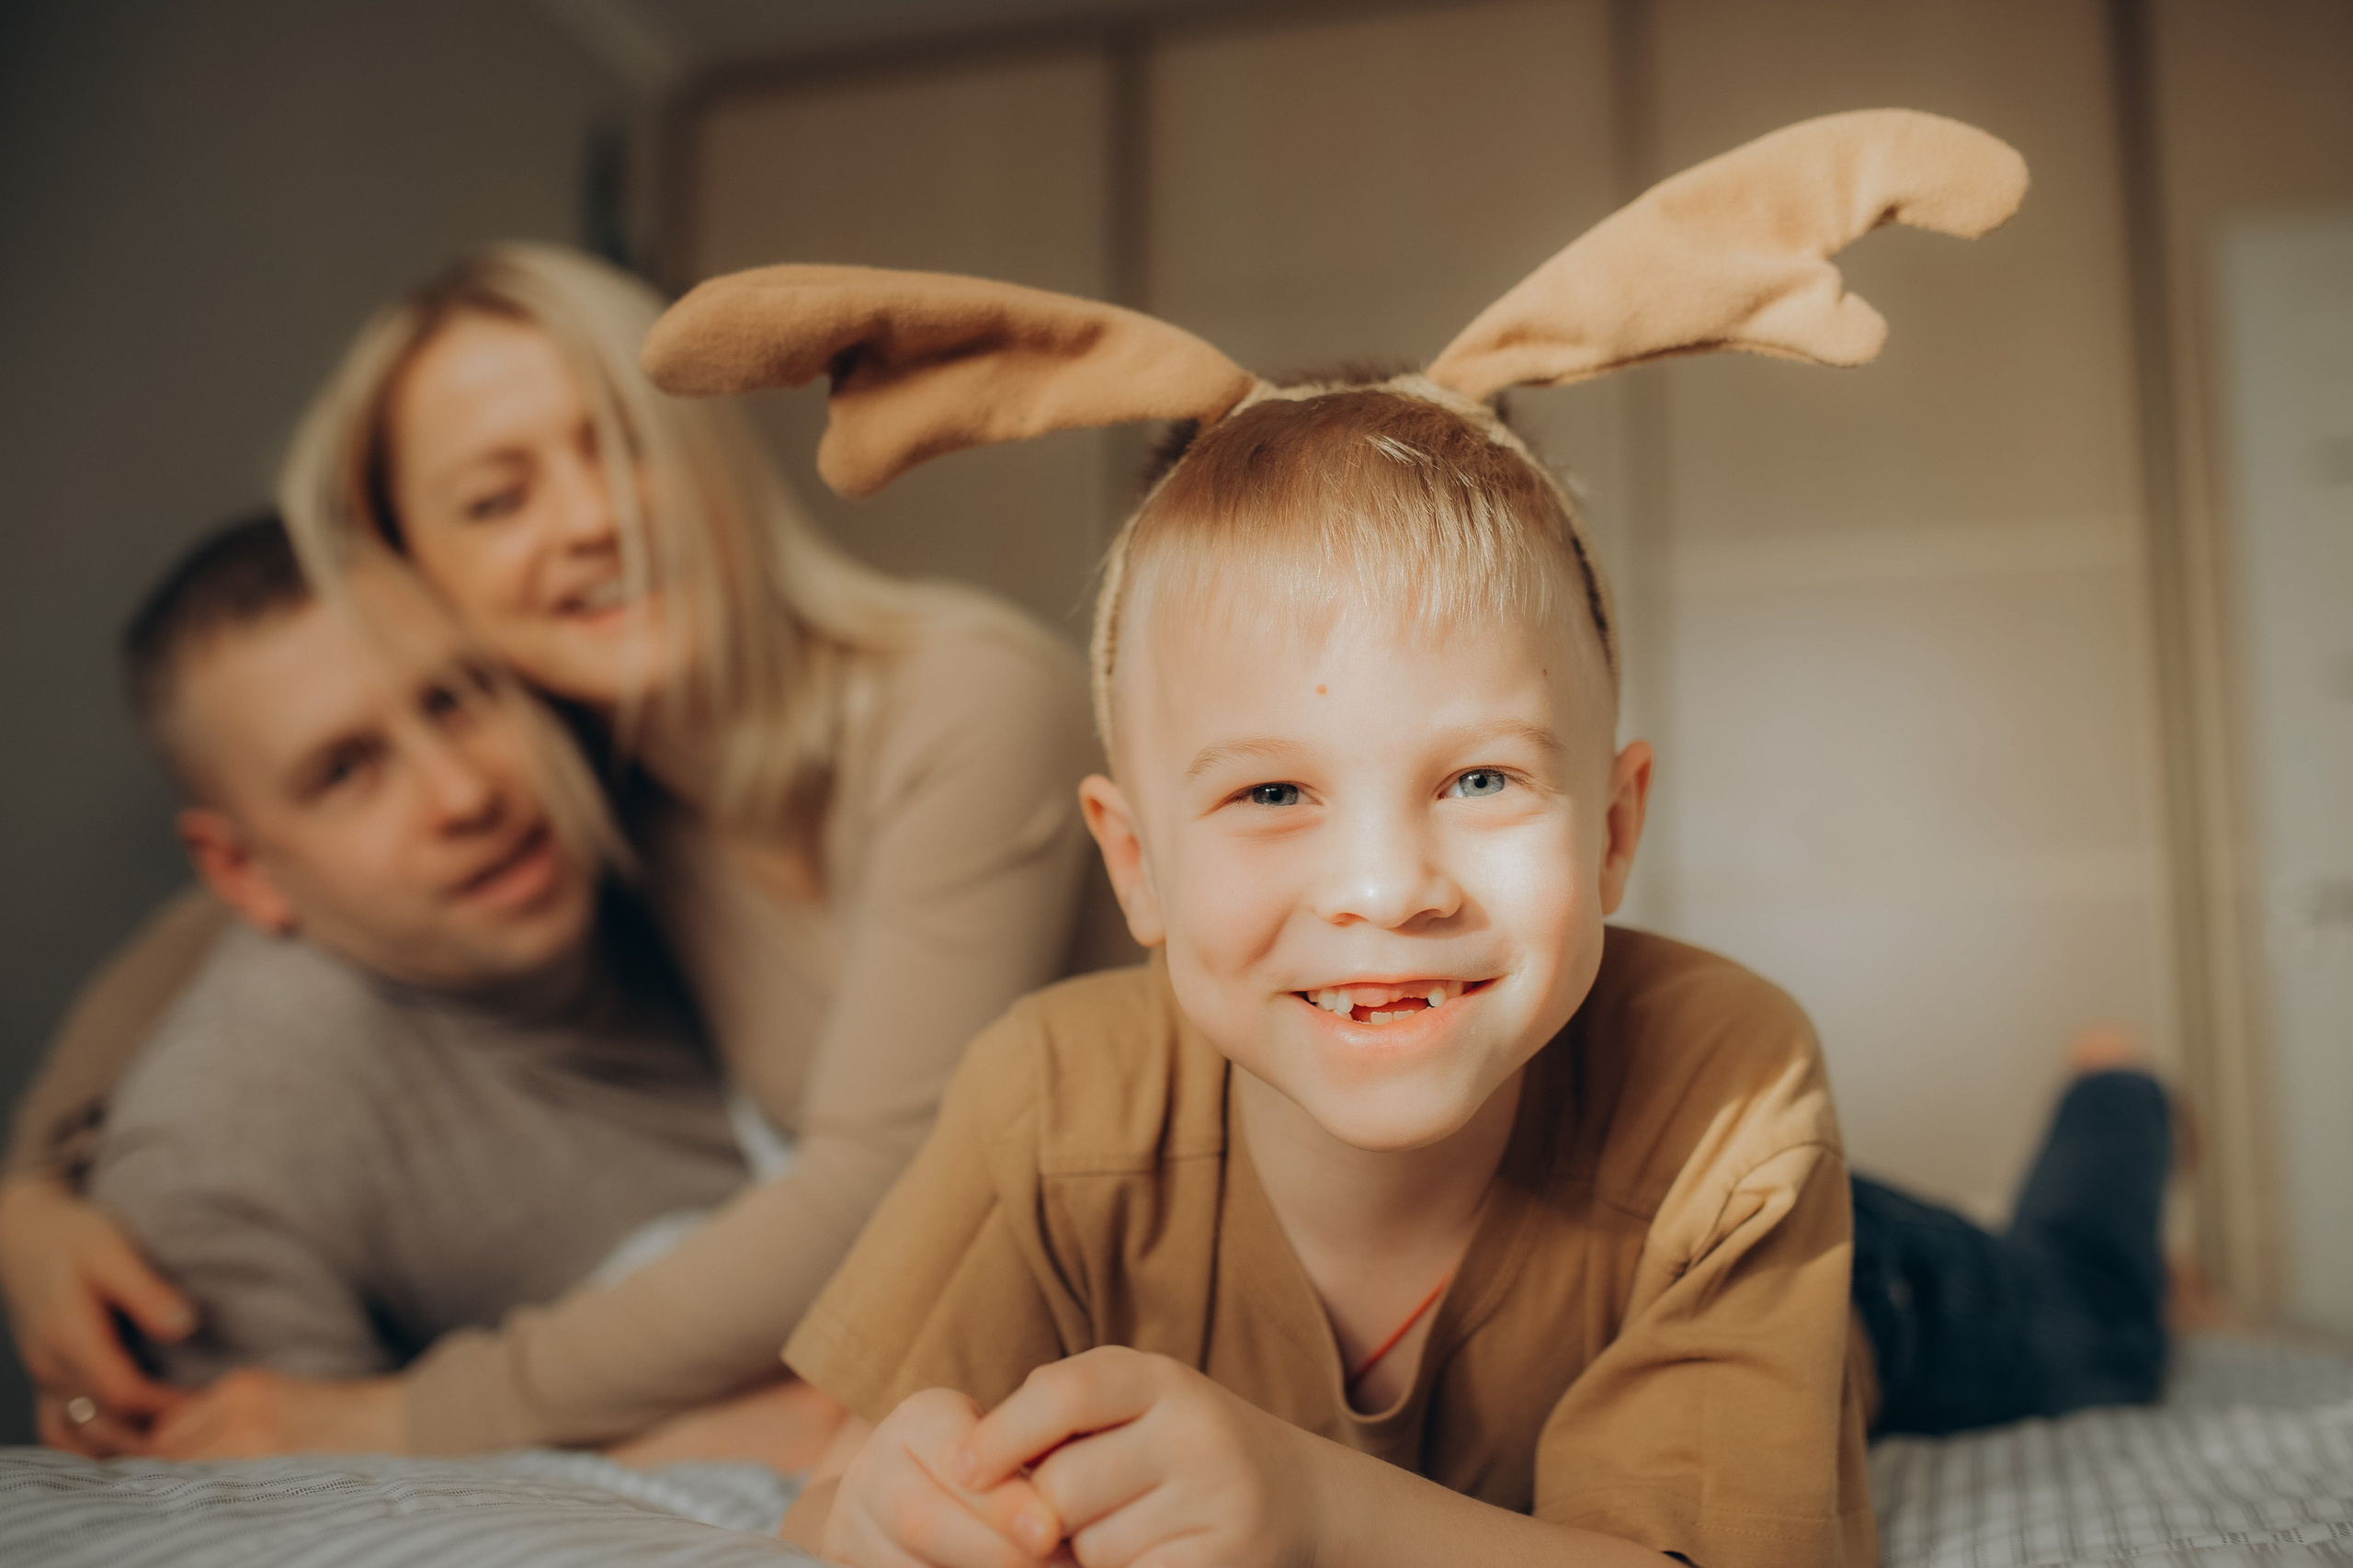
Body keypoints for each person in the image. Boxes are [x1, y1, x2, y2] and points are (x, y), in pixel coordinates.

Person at [626, 109, 2170, 1567]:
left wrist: (1314, 1507)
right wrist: (882, 1508)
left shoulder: (1731, 1092)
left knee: (2092, 1316)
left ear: (1617, 827)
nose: (1385, 889)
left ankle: (2117, 1096)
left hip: (1852, 1285)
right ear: (1136, 861)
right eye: (1273, 794)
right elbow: (845, 1473)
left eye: (1483, 780)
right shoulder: (1043, 1104)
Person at [0, 244, 1110, 1458]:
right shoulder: (592, 758)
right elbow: (235, 903)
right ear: (419, 572)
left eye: (624, 443)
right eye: (497, 498)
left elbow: (872, 1195)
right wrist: (32, 1191)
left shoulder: (965, 703)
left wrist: (408, 1416)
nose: (595, 520)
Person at [73, 513, 802, 1461]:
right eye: (347, 770)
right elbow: (305, 1532)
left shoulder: (698, 829)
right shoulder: (219, 1159)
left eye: (457, 698)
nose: (464, 794)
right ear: (242, 871)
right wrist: (730, 1437)